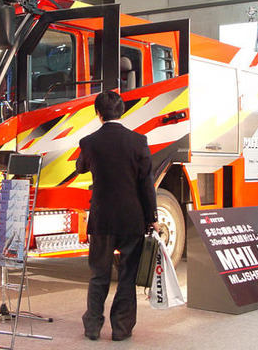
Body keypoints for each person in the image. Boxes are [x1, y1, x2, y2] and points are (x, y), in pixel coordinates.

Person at [76, 90, 159, 341]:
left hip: (102, 219)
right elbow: (146, 183)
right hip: (131, 218)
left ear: (98, 113)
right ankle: (121, 329)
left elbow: (81, 168)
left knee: (99, 273)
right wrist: (152, 216)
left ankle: (92, 326)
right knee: (126, 276)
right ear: (122, 111)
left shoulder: (89, 141)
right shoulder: (138, 141)